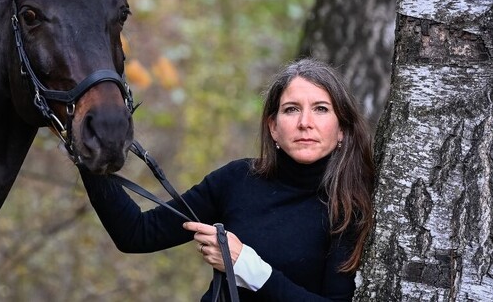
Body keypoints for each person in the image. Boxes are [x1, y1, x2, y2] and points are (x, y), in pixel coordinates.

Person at [79, 58, 375, 301]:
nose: (305, 123)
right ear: (273, 127)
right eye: (291, 109)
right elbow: (137, 233)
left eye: (321, 109)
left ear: (342, 130)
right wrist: (84, 147)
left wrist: (248, 267)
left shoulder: (351, 206)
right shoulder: (238, 180)